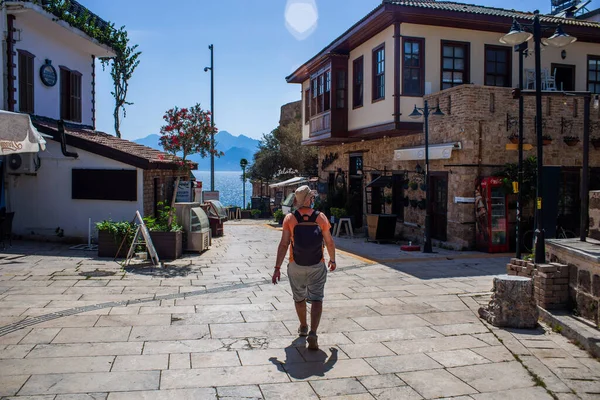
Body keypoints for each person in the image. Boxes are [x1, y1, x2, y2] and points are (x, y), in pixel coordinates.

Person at [272, 185, 336, 350]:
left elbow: (284, 244)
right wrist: (333, 260)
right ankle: (313, 332)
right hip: (317, 264)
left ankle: (303, 326)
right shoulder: (320, 217)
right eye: (312, 197)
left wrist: (277, 267)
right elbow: (329, 241)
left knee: (299, 298)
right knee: (316, 298)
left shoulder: (290, 218)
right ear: (309, 200)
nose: (313, 199)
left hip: (296, 265)